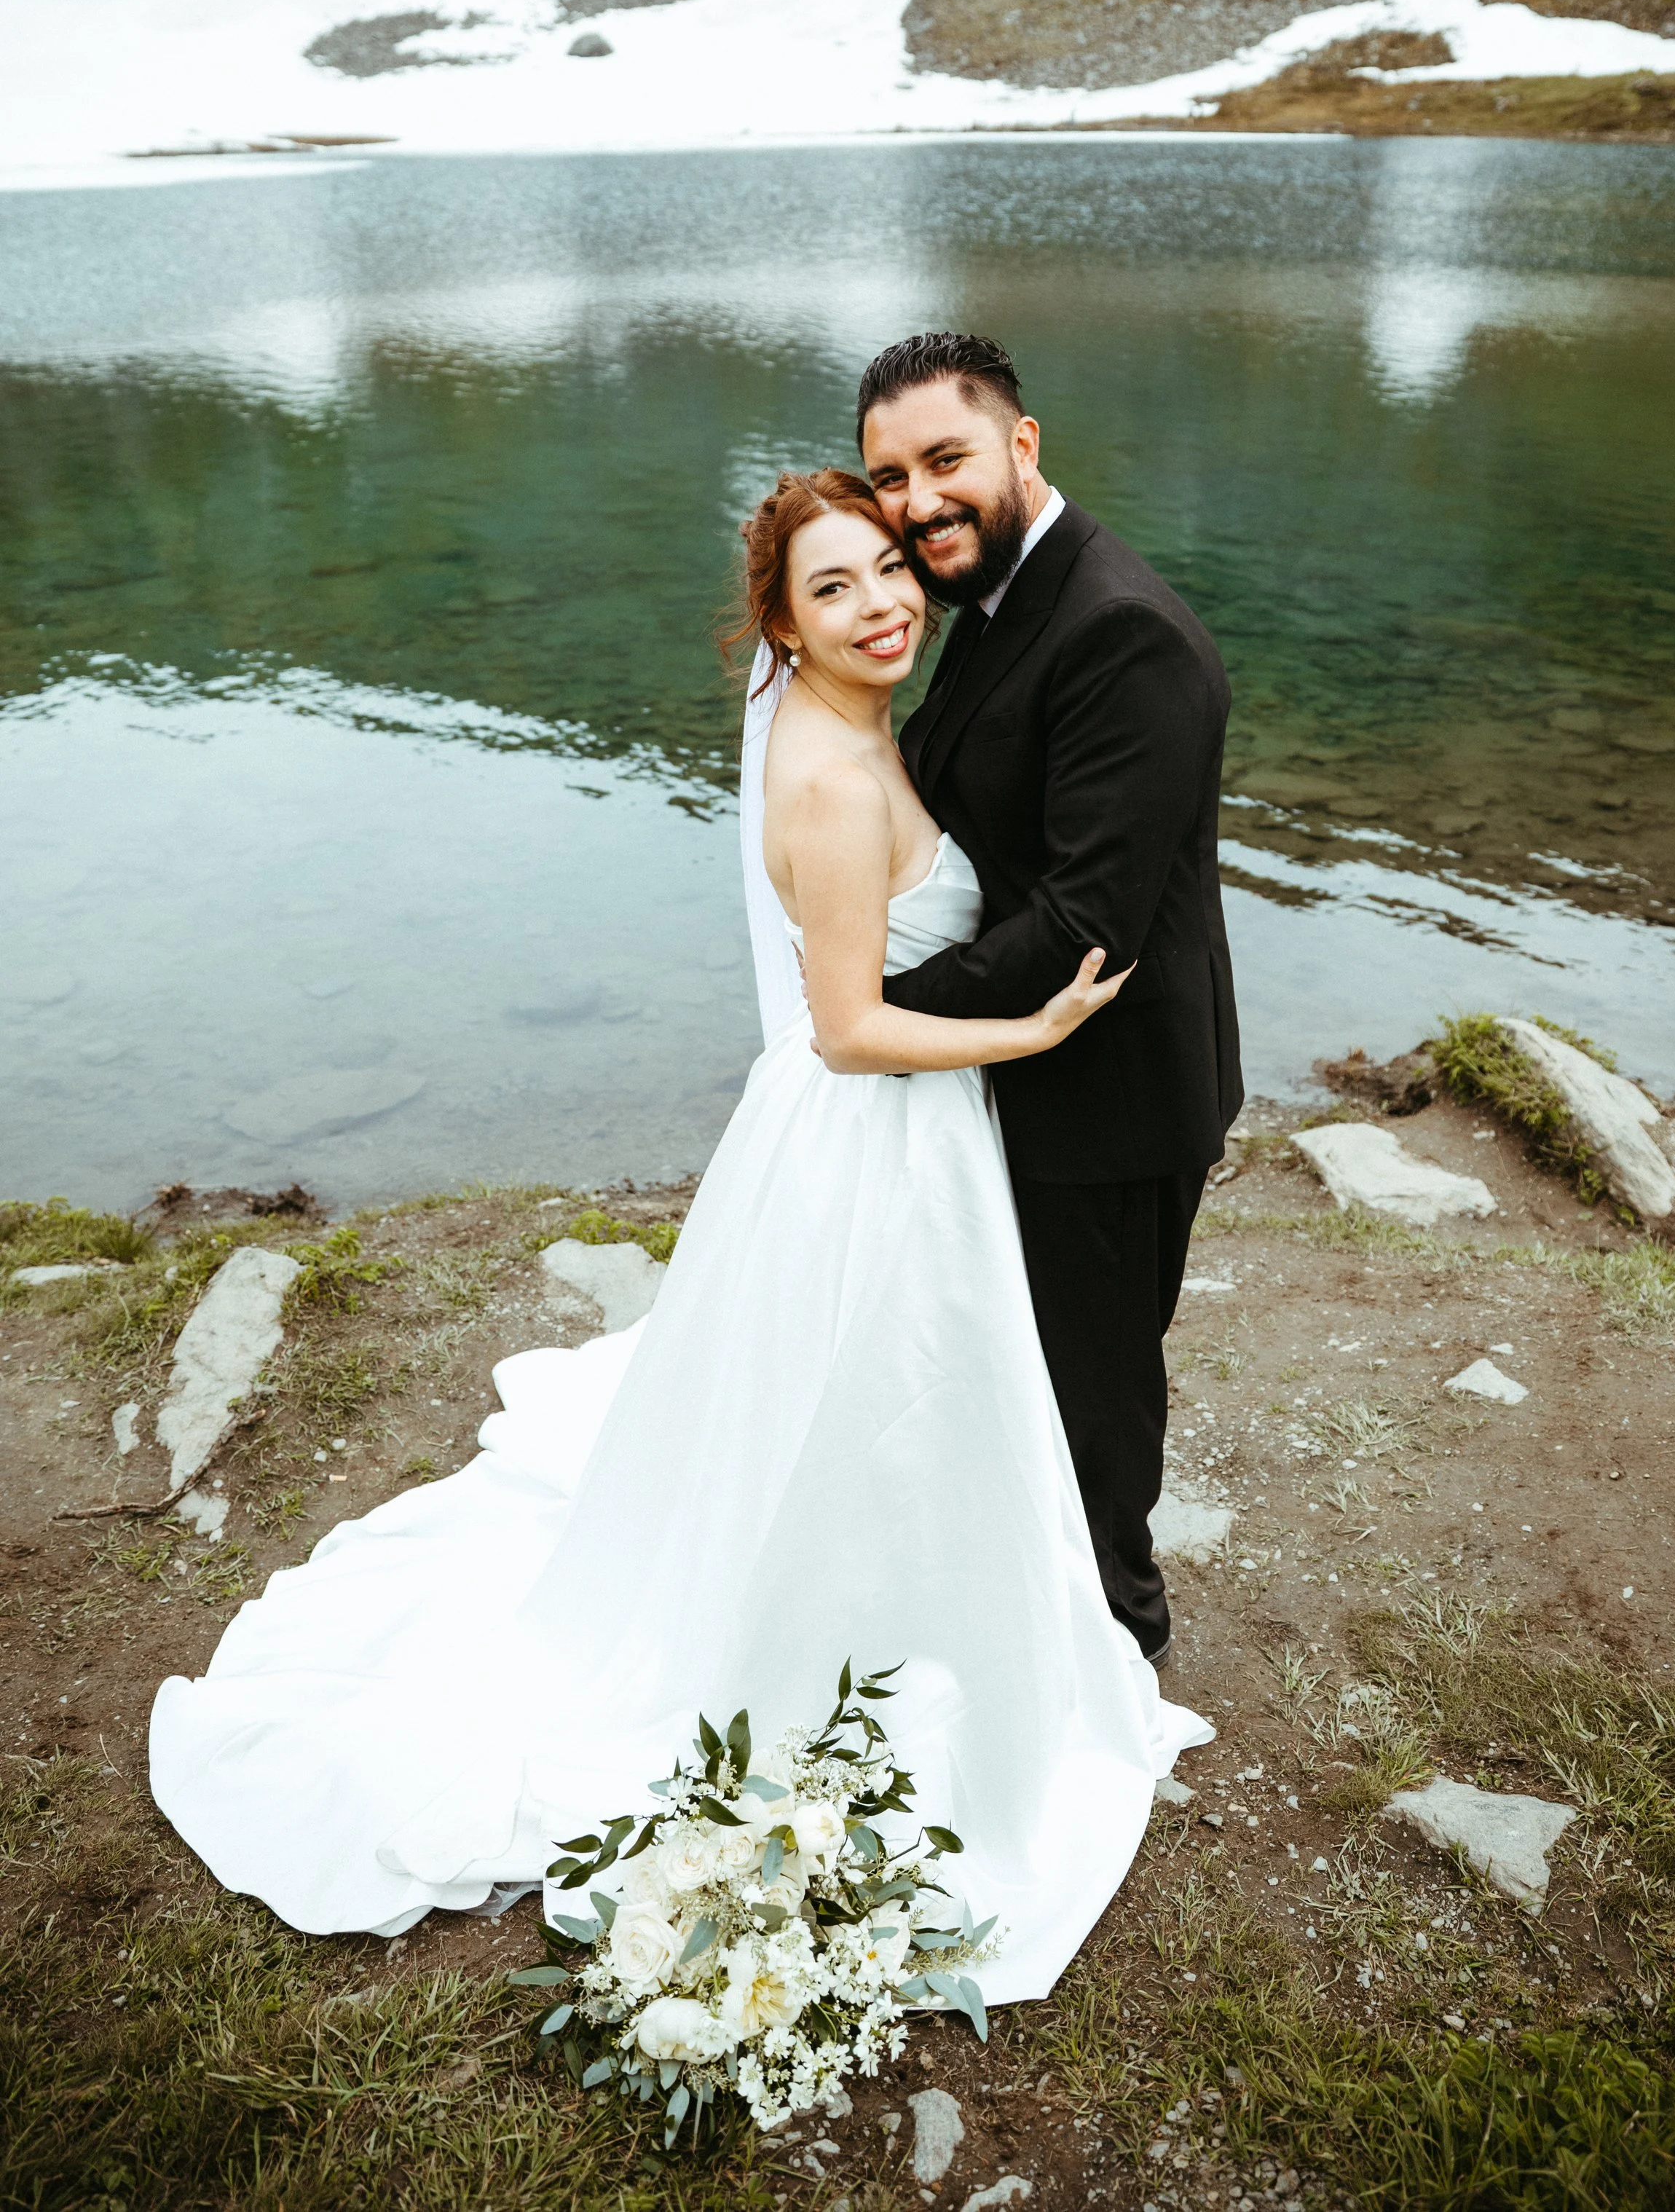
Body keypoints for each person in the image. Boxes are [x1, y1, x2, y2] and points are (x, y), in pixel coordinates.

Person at [148, 469, 1209, 2000]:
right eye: (832, 588)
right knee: (881, 1396)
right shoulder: (831, 779)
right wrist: (1028, 1031)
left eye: (889, 572)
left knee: (846, 1407)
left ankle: (913, 1604)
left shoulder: (850, 723)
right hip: (867, 1138)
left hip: (865, 1145)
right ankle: (854, 1641)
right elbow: (847, 1030)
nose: (878, 603)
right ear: (776, 624)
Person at [859, 334, 1243, 1669]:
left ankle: (1121, 1655)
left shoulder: (1120, 632)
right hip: (1016, 1073)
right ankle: (1021, 1629)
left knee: (1093, 1398)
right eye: (890, 475)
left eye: (945, 459)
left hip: (1108, 1096)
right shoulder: (994, 596)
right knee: (1009, 1376)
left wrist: (877, 1009)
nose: (916, 500)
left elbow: (1088, 925)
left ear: (1024, 445)